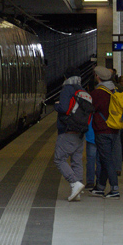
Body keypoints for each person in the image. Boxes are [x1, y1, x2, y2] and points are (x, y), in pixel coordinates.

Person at [53, 67, 89, 201]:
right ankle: (77, 192)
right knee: (76, 161)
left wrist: (56, 105)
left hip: (67, 130)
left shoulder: (67, 89)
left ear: (66, 77)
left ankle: (74, 183)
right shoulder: (83, 90)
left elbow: (63, 108)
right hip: (80, 132)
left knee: (59, 159)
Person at [90, 66, 121, 198]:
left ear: (97, 77)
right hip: (114, 129)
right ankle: (100, 187)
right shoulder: (115, 89)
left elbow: (90, 108)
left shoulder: (98, 93)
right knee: (104, 158)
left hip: (102, 130)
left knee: (107, 160)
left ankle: (115, 189)